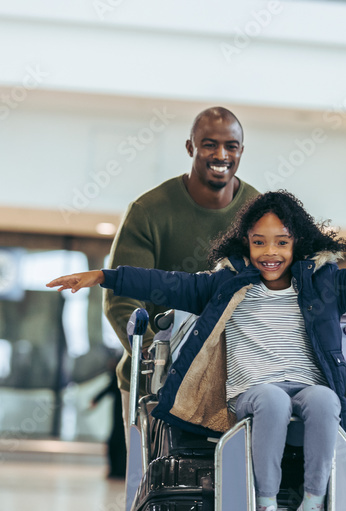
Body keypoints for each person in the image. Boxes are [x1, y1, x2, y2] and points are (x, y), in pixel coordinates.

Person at [50, 190, 346, 511]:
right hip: (251, 393)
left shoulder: (324, 284)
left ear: (297, 243)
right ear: (245, 243)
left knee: (325, 400)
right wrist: (104, 276)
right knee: (272, 398)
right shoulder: (226, 284)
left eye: (282, 242)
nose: (271, 252)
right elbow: (167, 283)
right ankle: (264, 507)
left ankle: (313, 507)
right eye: (259, 242)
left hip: (306, 387)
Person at [104, 107, 259, 446]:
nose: (221, 155)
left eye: (231, 146)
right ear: (190, 147)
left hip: (234, 380)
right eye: (209, 144)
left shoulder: (259, 214)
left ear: (241, 151)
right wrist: (157, 358)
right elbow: (121, 301)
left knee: (236, 473)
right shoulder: (148, 211)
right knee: (154, 475)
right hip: (153, 382)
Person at [89, 354, 125, 479]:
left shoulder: (122, 373)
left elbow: (110, 387)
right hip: (120, 413)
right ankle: (117, 470)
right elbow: (110, 387)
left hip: (122, 413)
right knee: (118, 442)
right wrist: (96, 399)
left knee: (117, 442)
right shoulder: (119, 375)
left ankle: (118, 470)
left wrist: (96, 399)